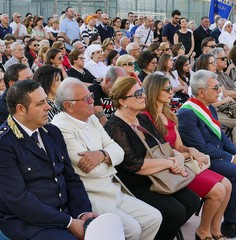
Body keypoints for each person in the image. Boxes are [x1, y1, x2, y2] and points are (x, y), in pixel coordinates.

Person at [52, 77, 162, 240]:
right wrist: (109, 158)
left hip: (111, 186)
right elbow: (91, 170)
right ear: (68, 105)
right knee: (131, 229)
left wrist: (102, 155)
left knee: (153, 217)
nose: (92, 100)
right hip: (91, 192)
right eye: (85, 99)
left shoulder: (91, 118)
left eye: (90, 95)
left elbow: (118, 151)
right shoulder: (60, 127)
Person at [104, 76, 200, 240]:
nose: (143, 96)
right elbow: (135, 165)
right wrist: (170, 163)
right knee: (175, 211)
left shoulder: (142, 118)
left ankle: (165, 233)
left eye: (142, 92)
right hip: (136, 182)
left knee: (192, 201)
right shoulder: (114, 127)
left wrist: (177, 159)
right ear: (122, 101)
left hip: (159, 174)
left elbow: (164, 146)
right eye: (137, 94)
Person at [0, 79, 96, 240]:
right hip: (28, 224)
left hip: (65, 214)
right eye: (40, 103)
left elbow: (70, 178)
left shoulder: (52, 132)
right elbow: (19, 200)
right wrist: (69, 223)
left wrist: (83, 212)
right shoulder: (4, 144)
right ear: (21, 109)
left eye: (46, 100)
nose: (49, 107)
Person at [142, 72, 231, 240]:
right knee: (219, 190)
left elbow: (179, 146)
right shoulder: (146, 118)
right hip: (167, 169)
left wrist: (192, 151)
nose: (171, 92)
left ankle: (215, 228)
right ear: (155, 91)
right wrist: (185, 154)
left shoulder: (169, 115)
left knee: (227, 184)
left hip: (181, 163)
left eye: (170, 87)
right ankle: (202, 231)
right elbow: (156, 152)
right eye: (167, 88)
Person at [177, 69, 236, 238]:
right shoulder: (187, 113)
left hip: (217, 155)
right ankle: (231, 223)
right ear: (201, 92)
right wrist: (231, 159)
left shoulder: (209, 107)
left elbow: (221, 137)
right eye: (216, 87)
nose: (220, 90)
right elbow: (201, 147)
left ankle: (230, 220)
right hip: (204, 160)